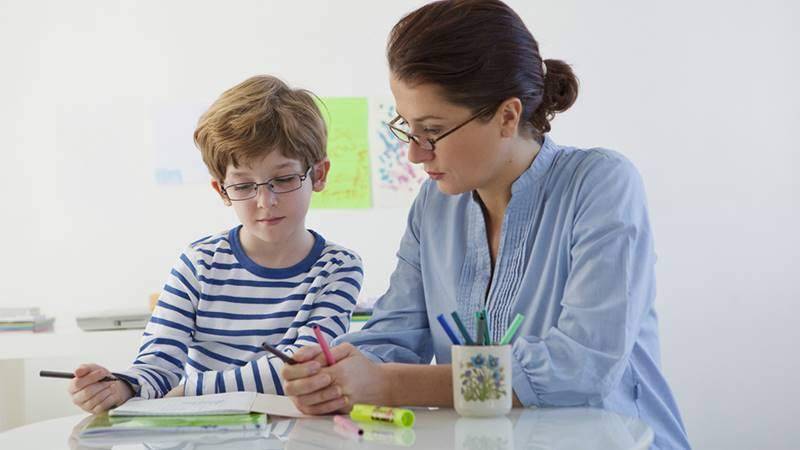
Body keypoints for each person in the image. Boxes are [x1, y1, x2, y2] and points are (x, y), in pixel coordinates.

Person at [281, 1, 690, 448]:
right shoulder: (434, 206)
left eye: (432, 131)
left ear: (508, 116)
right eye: (407, 127)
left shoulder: (601, 183)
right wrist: (338, 371)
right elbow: (395, 334)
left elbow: (580, 369)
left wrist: (387, 383)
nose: (415, 153)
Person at [67, 75, 363, 413]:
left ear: (319, 174)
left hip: (297, 433)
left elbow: (302, 370)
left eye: (282, 179)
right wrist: (120, 386)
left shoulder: (339, 268)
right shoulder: (199, 262)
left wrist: (187, 391)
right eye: (243, 185)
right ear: (221, 191)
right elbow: (158, 362)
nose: (265, 201)